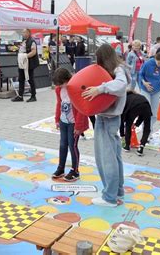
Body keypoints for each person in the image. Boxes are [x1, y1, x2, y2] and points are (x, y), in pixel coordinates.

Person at [81, 44, 129, 207]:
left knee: (106, 159)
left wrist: (100, 89)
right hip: (109, 118)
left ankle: (109, 197)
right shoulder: (117, 68)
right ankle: (118, 190)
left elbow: (121, 85)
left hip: (108, 118)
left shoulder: (118, 70)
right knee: (114, 157)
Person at [52, 68, 89, 182]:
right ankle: (61, 168)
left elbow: (82, 109)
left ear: (66, 80)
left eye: (61, 84)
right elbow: (59, 104)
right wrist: (57, 119)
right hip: (64, 122)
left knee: (72, 146)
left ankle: (75, 170)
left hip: (74, 123)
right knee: (63, 145)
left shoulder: (76, 88)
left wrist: (78, 127)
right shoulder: (59, 90)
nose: (59, 86)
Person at [138, 52, 160, 131]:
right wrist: (144, 83)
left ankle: (149, 129)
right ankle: (146, 130)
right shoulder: (148, 63)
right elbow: (140, 74)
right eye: (158, 62)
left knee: (154, 113)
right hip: (145, 89)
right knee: (147, 110)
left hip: (156, 90)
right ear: (155, 59)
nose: (159, 65)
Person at [120, 90, 151, 156]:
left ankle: (127, 146)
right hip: (146, 105)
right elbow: (142, 114)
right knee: (147, 127)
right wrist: (137, 124)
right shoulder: (138, 96)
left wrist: (122, 134)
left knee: (128, 125)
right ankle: (141, 148)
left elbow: (122, 120)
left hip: (134, 108)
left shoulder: (125, 99)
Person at [12, 29, 39, 102]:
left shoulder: (32, 41)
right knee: (21, 79)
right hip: (22, 63)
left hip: (28, 63)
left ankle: (33, 96)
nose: (23, 33)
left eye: (25, 32)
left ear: (29, 33)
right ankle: (20, 96)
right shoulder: (24, 41)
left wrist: (25, 56)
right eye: (23, 32)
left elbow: (33, 52)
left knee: (30, 79)